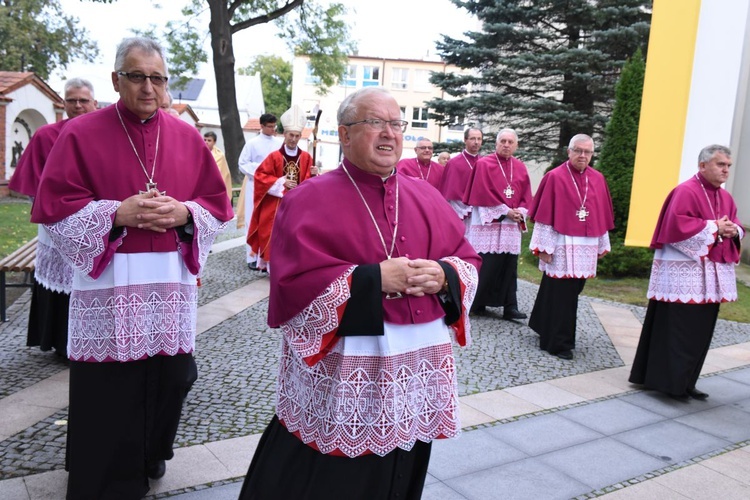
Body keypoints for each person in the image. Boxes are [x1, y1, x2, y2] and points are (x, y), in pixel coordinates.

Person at [239, 87, 480, 499]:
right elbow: (291, 284)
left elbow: (468, 260)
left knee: (403, 462)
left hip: (416, 366)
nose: (389, 133)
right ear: (345, 135)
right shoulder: (308, 199)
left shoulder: (426, 195)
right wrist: (372, 280)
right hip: (351, 365)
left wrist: (444, 275)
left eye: (395, 124)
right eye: (375, 123)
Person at [31, 37, 234, 499]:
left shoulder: (184, 135)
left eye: (157, 78)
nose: (148, 87)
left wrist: (185, 213)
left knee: (175, 375)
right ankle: (103, 479)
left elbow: (218, 206)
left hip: (169, 283)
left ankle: (152, 453)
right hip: (110, 281)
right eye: (137, 76)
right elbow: (55, 207)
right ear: (116, 79)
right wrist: (116, 214)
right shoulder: (81, 134)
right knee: (109, 388)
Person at [629, 145, 743, 399]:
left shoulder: (726, 198)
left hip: (710, 278)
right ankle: (670, 384)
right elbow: (676, 226)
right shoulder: (685, 191)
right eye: (720, 164)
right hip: (684, 276)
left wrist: (733, 231)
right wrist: (714, 228)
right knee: (680, 330)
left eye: (728, 166)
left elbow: (734, 225)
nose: (726, 170)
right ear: (703, 166)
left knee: (700, 331)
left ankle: (687, 381)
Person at [9, 78, 98, 356]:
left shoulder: (104, 135)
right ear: (63, 103)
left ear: (94, 103)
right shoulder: (46, 136)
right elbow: (34, 185)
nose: (78, 105)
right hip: (56, 225)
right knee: (61, 284)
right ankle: (59, 341)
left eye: (84, 100)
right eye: (72, 100)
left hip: (95, 224)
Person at [527, 134, 614, 360]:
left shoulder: (598, 178)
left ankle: (542, 324)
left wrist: (602, 244)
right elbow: (545, 215)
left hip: (586, 247)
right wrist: (544, 248)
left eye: (587, 152)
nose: (582, 156)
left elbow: (602, 214)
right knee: (561, 294)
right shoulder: (554, 177)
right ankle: (557, 343)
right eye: (578, 150)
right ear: (569, 151)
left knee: (571, 290)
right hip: (561, 244)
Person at [464, 128, 532, 320]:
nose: (506, 145)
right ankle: (477, 303)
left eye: (511, 142)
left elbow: (526, 195)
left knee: (509, 267)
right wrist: (505, 211)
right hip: (489, 225)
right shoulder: (484, 164)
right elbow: (481, 193)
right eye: (503, 141)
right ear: (496, 143)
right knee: (487, 264)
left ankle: (510, 306)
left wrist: (520, 212)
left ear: (516, 145)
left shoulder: (520, 167)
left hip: (510, 226)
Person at [247, 105, 317, 273]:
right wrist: (280, 182)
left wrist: (315, 175)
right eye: (290, 135)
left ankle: (291, 268)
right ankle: (272, 268)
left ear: (300, 136)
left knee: (294, 236)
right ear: (284, 135)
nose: (293, 139)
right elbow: (260, 176)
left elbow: (310, 184)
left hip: (297, 206)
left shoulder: (306, 157)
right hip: (275, 205)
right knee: (271, 234)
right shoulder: (274, 157)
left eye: (297, 136)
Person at [236, 113, 282, 269]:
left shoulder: (279, 143)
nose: (272, 129)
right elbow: (242, 163)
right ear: (261, 126)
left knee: (269, 221)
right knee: (252, 219)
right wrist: (261, 171)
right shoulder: (252, 143)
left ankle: (267, 258)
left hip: (272, 187)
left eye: (273, 126)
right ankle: (252, 257)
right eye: (269, 126)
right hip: (255, 185)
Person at [438, 128, 483, 236]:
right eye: (472, 138)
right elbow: (449, 195)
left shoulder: (484, 162)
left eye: (479, 139)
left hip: (481, 215)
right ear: (465, 140)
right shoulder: (454, 163)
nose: (476, 142)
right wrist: (468, 209)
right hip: (461, 215)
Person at [203, 131, 233, 203]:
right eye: (205, 140)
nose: (206, 142)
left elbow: (218, 171)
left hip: (215, 184)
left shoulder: (219, 155)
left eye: (209, 140)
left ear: (214, 142)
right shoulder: (199, 152)